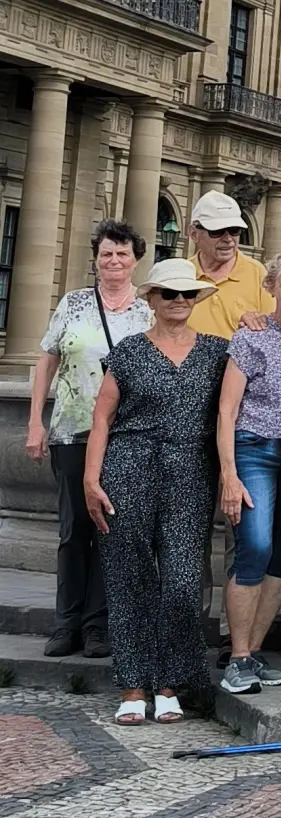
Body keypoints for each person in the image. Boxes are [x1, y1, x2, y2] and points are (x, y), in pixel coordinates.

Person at [83, 259, 230, 726]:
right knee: (130, 579)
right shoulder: (127, 351)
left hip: (191, 471)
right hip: (128, 467)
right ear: (151, 299)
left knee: (184, 584)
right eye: (169, 294)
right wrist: (91, 479)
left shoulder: (217, 352)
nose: (180, 302)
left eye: (187, 294)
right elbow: (102, 418)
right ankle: (133, 684)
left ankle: (170, 681)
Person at [27, 220, 152, 660]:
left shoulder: (147, 311)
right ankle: (66, 623)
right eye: (106, 254)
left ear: (135, 259)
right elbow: (47, 360)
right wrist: (36, 422)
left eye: (122, 253)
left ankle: (98, 626)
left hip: (124, 436)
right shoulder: (74, 303)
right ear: (96, 260)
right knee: (73, 530)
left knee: (109, 530)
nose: (113, 261)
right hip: (71, 429)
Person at [216, 247, 281, 694]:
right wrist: (229, 473)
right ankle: (236, 656)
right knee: (254, 546)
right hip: (254, 448)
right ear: (271, 288)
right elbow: (226, 410)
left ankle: (253, 653)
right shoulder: (252, 336)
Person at [186, 191, 275, 339]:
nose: (228, 239)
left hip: (237, 361)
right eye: (217, 231)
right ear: (194, 234)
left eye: (234, 230)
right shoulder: (182, 274)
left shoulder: (258, 273)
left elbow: (271, 332)